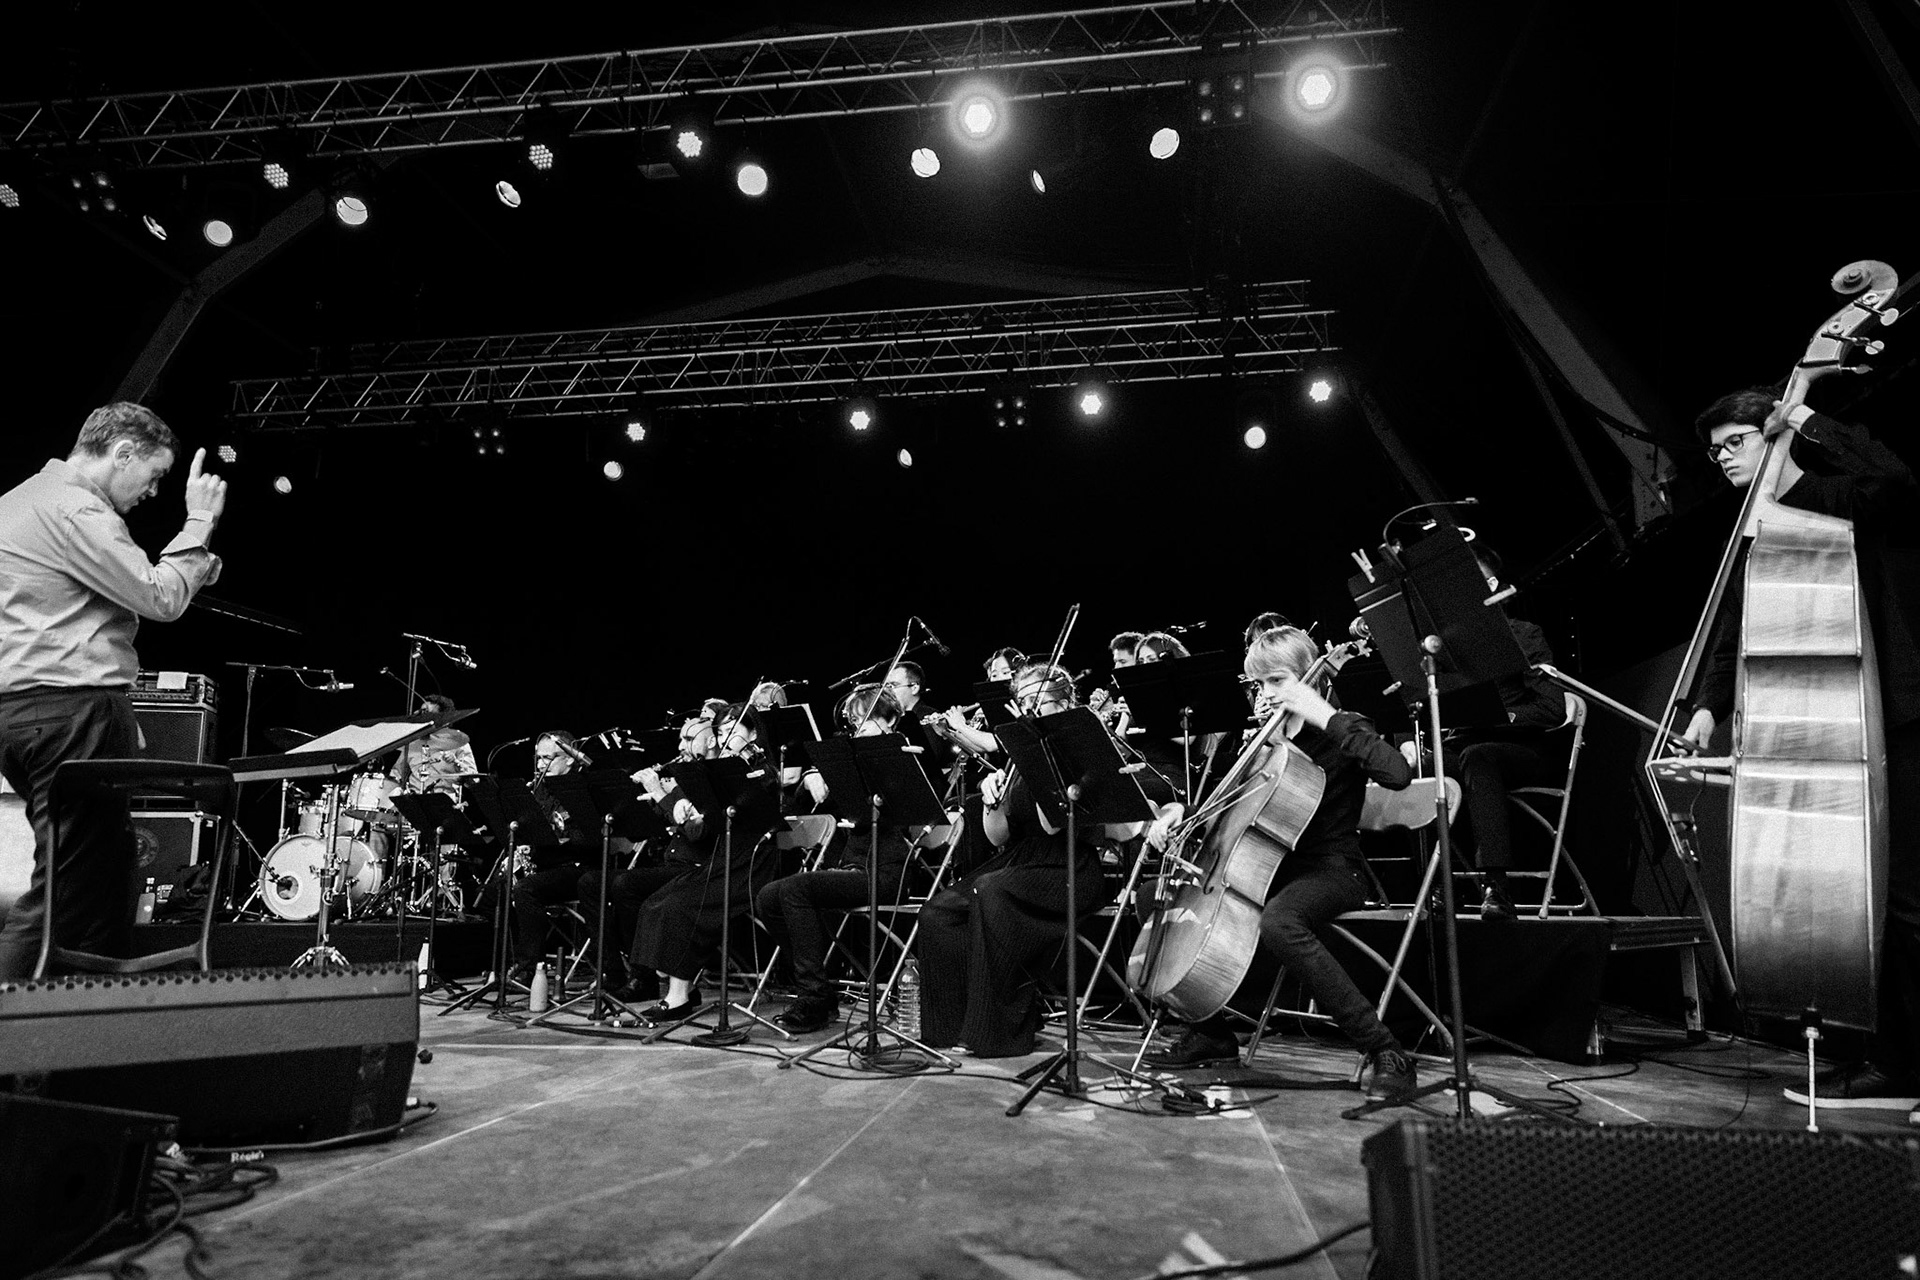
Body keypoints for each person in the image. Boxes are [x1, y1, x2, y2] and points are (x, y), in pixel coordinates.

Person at [1688, 385, 1920, 1113]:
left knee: (1910, 900)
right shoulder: (1758, 528)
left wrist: (1809, 419)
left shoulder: (1835, 494)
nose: (1723, 458)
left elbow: (1900, 483)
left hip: (1899, 714)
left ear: (1772, 435)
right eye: (1716, 450)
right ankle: (1892, 1060)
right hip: (1839, 726)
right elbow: (1736, 628)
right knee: (1868, 906)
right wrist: (1705, 708)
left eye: (1736, 442)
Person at [1143, 626, 1422, 1101]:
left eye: (1277, 681)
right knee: (1161, 894)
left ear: (1308, 679)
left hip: (1334, 870)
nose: (1267, 695)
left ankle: (1386, 1051)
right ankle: (1210, 1031)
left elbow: (1397, 775)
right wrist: (1176, 815)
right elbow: (1219, 808)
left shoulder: (1342, 726)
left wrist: (1323, 715)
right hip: (1268, 869)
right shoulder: (1260, 745)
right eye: (1259, 685)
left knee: (1280, 921)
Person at [0, 403, 226, 979]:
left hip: (23, 708)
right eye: (152, 474)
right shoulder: (75, 509)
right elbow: (160, 596)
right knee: (69, 889)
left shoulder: (20, 500)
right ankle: (16, 1037)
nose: (153, 492)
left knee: (99, 873)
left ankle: (86, 1028)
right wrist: (197, 524)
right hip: (67, 710)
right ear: (121, 451)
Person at [916, 661, 1119, 1057]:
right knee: (938, 912)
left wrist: (1035, 763)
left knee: (991, 891)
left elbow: (1052, 825)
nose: (1029, 710)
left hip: (1070, 867)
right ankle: (950, 1027)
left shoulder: (1076, 750)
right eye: (1023, 702)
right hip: (1022, 860)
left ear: (1063, 705)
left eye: (1039, 702)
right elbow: (999, 836)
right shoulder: (1019, 752)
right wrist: (993, 799)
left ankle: (1000, 1032)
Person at [755, 684, 923, 1033]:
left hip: (887, 872)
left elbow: (920, 818)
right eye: (856, 723)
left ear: (890, 720)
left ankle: (815, 997)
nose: (859, 730)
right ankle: (815, 986)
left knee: (795, 891)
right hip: (852, 867)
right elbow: (805, 803)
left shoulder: (906, 756)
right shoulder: (852, 760)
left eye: (868, 721)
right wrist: (816, 775)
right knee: (767, 897)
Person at [1447, 546, 1572, 921]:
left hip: (1522, 750)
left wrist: (1497, 718)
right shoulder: (1451, 647)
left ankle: (1497, 887)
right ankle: (1438, 888)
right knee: (1414, 763)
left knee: (1478, 755)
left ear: (1490, 585)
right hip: (1468, 746)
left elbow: (1552, 708)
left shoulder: (1523, 634)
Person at [472, 729, 599, 981]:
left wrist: (553, 840)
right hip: (544, 864)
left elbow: (590, 841)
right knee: (488, 896)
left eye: (548, 758)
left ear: (570, 758)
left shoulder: (583, 788)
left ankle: (530, 966)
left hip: (576, 867)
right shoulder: (538, 789)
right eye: (538, 759)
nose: (541, 765)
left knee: (526, 889)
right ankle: (505, 964)